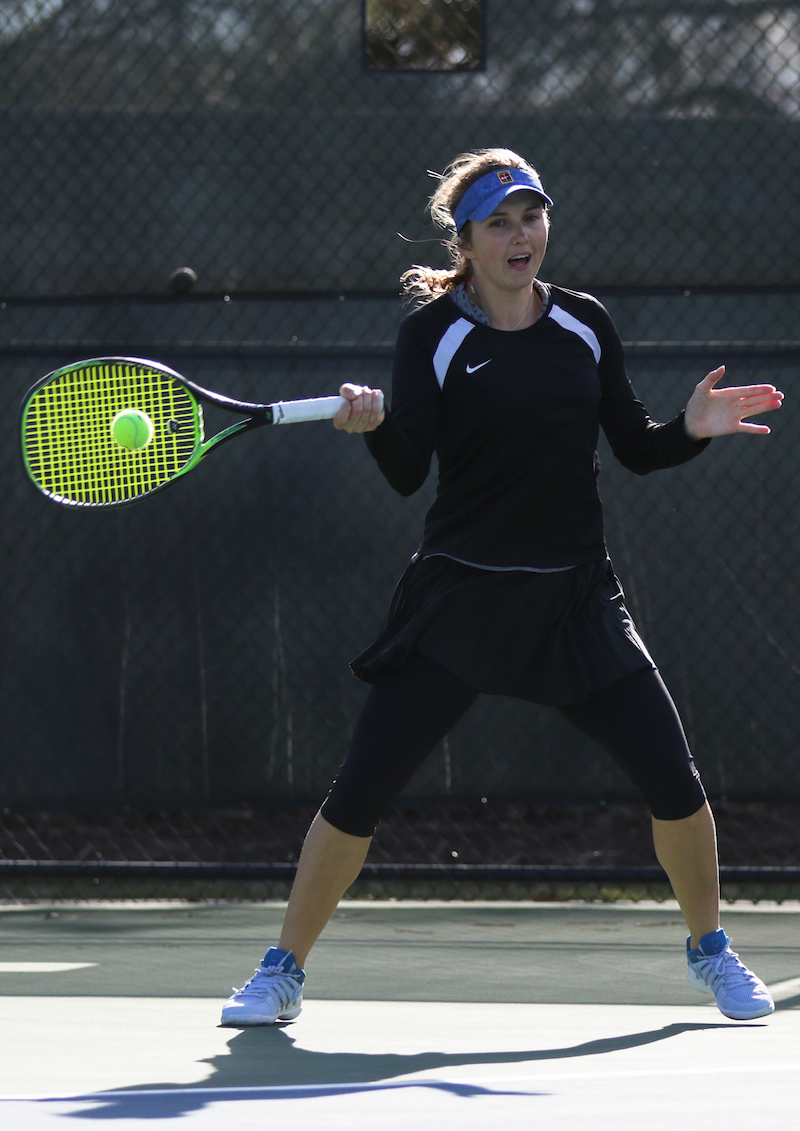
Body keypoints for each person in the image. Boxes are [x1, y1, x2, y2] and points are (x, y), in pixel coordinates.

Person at [221, 148, 783, 1028]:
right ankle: (280, 969)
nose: (523, 237)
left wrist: (693, 428)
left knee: (675, 781)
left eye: (532, 217)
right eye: (500, 223)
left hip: (575, 603)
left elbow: (634, 445)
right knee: (360, 790)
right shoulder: (433, 335)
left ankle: (711, 952)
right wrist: (371, 427)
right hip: (460, 602)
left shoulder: (586, 325)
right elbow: (409, 471)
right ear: (468, 243)